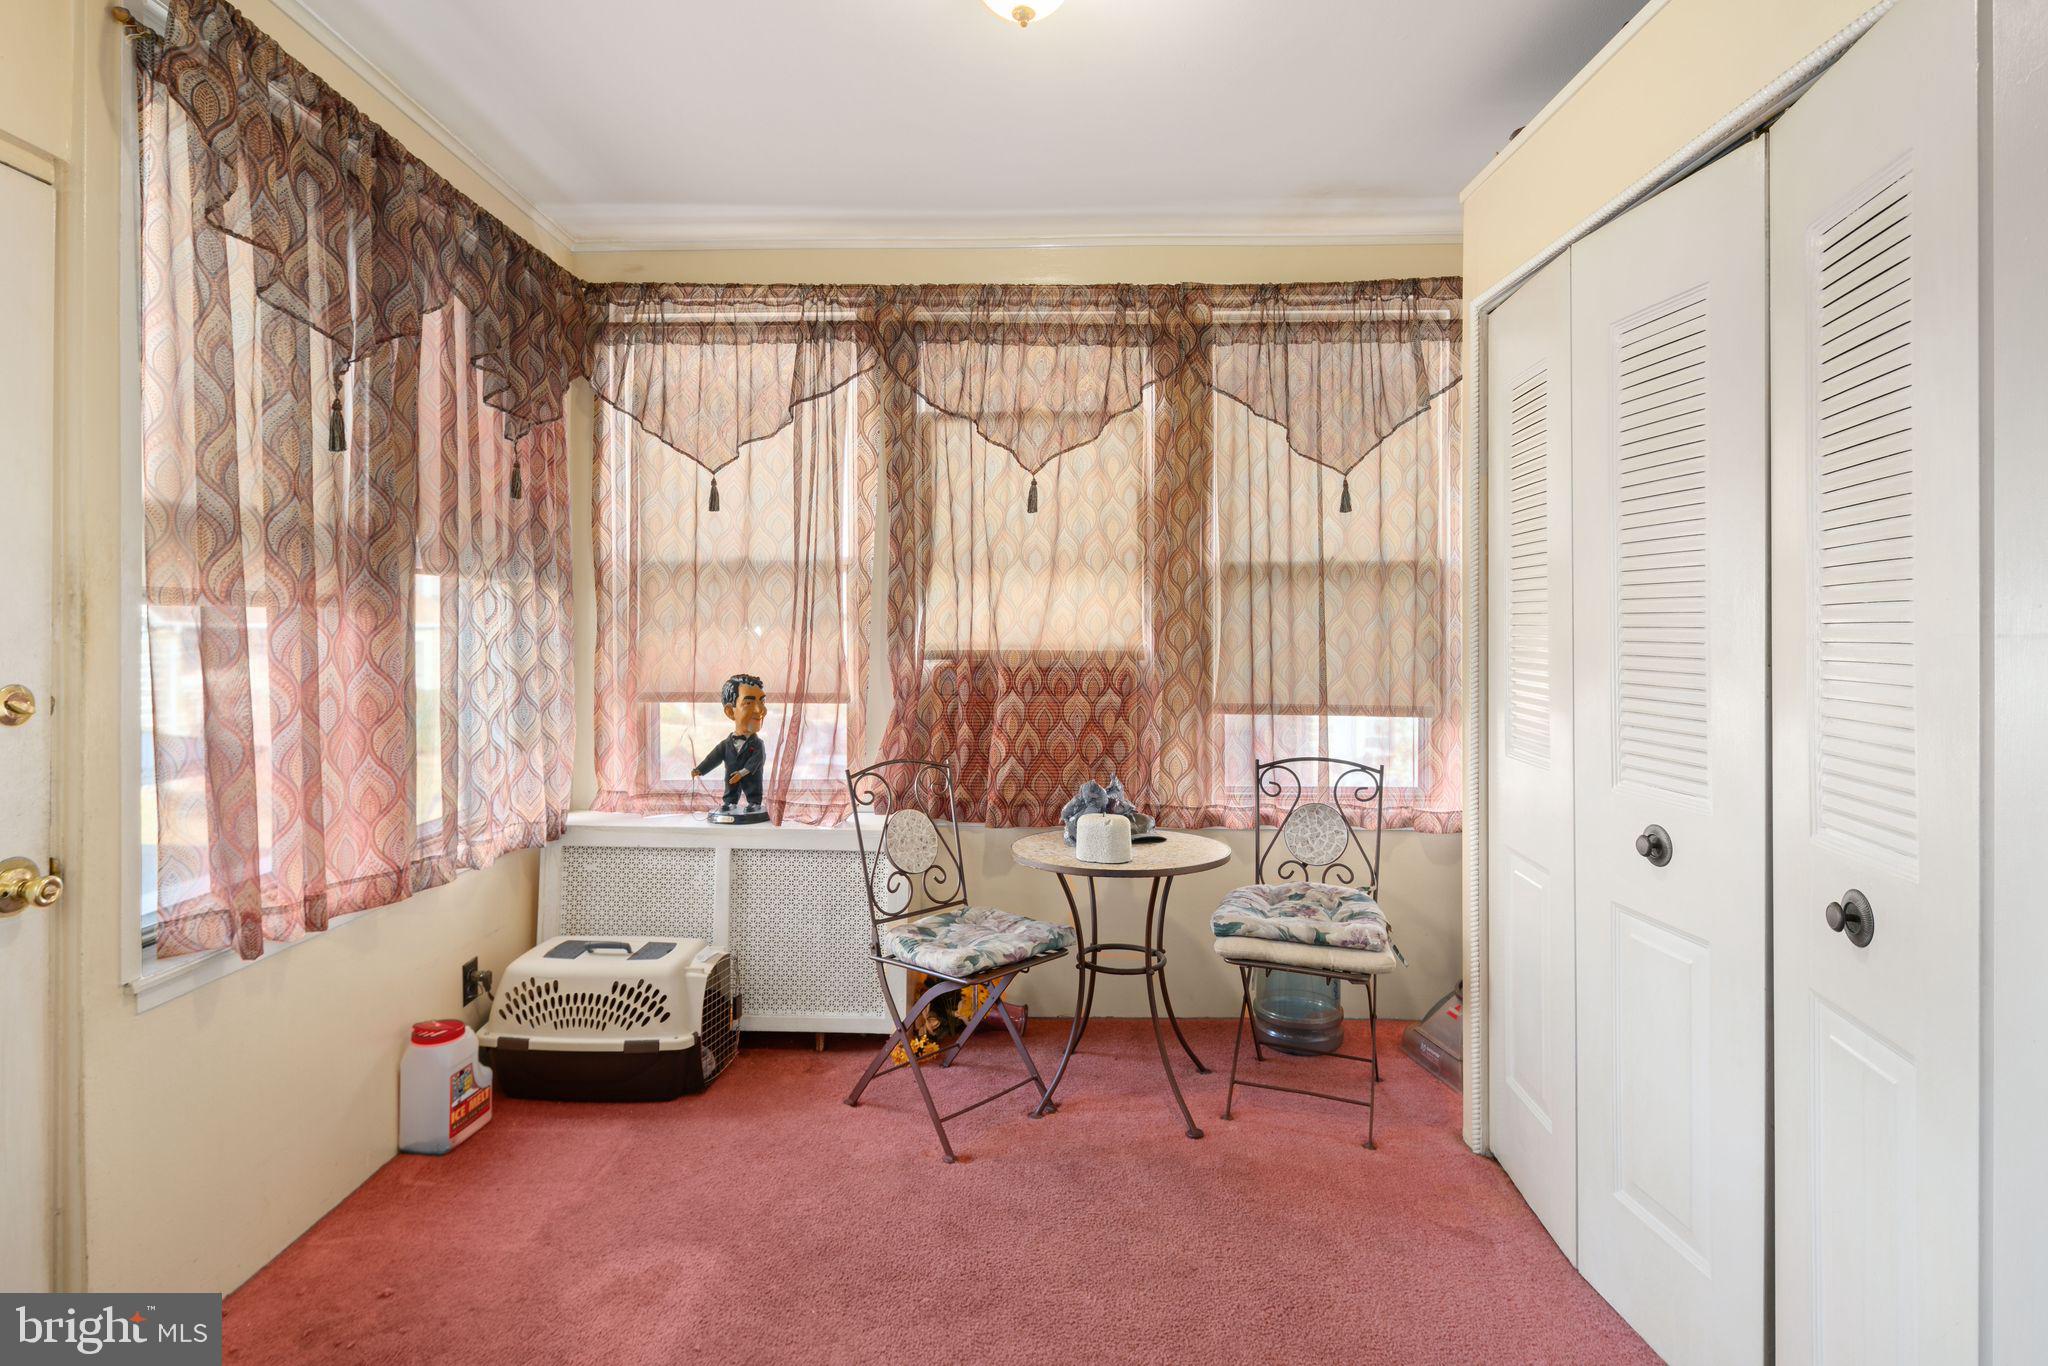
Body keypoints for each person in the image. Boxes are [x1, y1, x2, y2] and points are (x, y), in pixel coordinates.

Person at [694, 673, 768, 816]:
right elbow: (713, 758)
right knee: (731, 786)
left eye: (762, 702)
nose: (761, 710)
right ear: (730, 711)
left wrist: (741, 773)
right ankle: (730, 802)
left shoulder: (758, 744)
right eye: (749, 703)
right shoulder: (726, 744)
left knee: (753, 786)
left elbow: (756, 761)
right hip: (731, 777)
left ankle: (754, 802)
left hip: (750, 776)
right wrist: (700, 770)